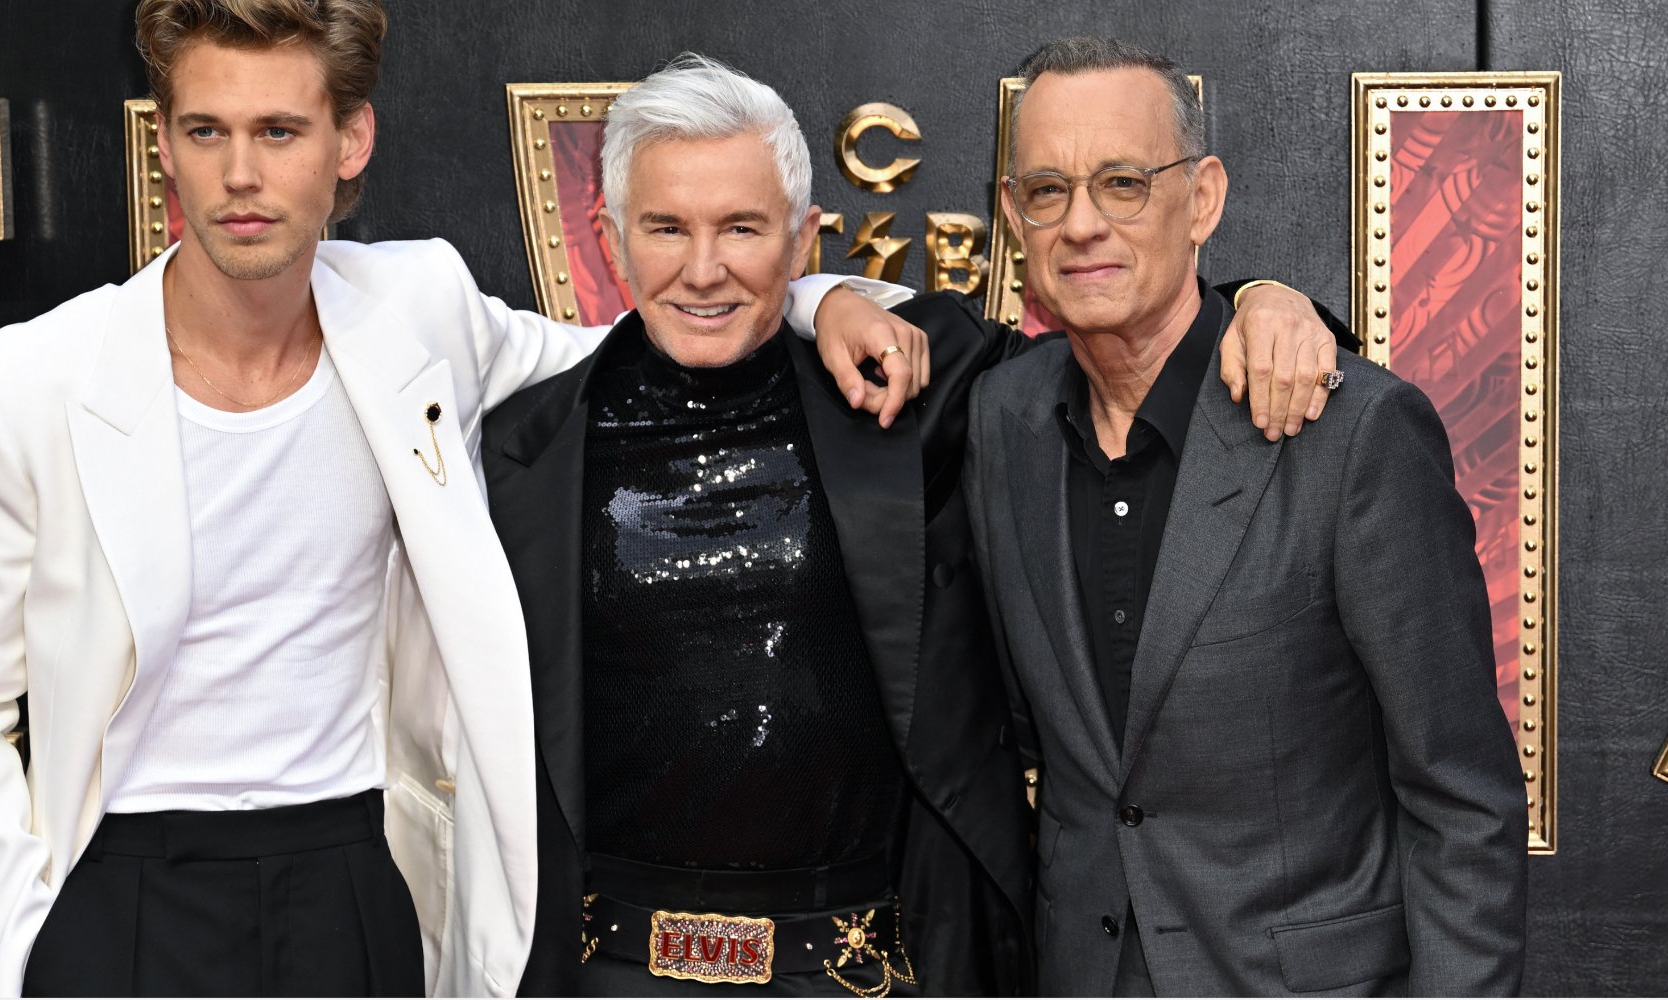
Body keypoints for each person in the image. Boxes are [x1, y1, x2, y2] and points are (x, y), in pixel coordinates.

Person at [0, 3, 923, 996]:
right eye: (207, 130)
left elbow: (643, 343)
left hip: (355, 881)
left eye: (279, 130)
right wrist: (26, 953)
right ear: (164, 143)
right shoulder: (24, 382)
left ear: (350, 140)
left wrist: (811, 294)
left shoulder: (415, 311)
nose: (240, 174)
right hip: (125, 886)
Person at [481, 54, 1350, 998]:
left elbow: (1131, 343)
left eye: (742, 226)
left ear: (803, 239)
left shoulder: (913, 388)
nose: (704, 268)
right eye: (665, 228)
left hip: (869, 970)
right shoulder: (521, 450)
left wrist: (1266, 298)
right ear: (608, 241)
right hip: (608, 971)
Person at [963, 36, 1528, 997]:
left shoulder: (1353, 434)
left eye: (1124, 183)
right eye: (1048, 191)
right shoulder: (1000, 418)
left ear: (1205, 199)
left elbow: (1460, 798)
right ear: (1015, 217)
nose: (1083, 224)